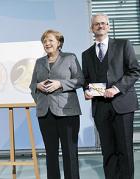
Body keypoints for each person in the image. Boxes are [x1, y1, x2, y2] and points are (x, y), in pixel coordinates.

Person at [82, 13, 140, 179]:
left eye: (103, 23)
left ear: (108, 26)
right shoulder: (86, 54)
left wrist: (116, 88)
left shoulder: (123, 45)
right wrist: (86, 90)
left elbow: (134, 71)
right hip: (100, 107)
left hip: (122, 105)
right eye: (96, 24)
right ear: (91, 29)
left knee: (125, 150)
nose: (100, 26)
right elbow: (86, 79)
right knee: (107, 150)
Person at [30, 29, 84, 179]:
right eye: (44, 41)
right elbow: (32, 85)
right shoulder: (39, 62)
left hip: (67, 112)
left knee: (69, 152)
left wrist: (60, 84)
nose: (47, 43)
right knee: (50, 153)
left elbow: (80, 80)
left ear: (59, 43)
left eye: (50, 40)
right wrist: (38, 87)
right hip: (45, 112)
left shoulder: (70, 58)